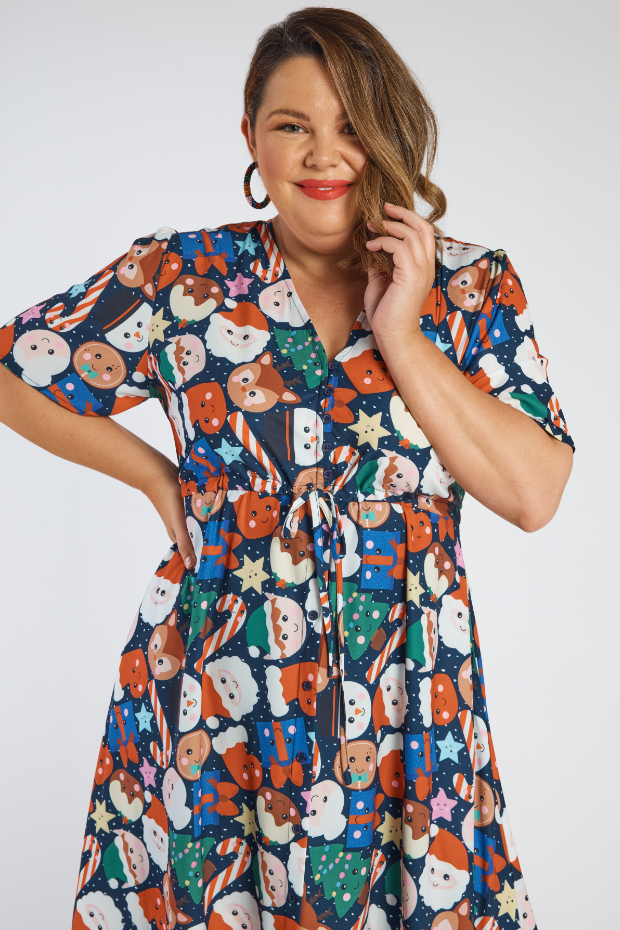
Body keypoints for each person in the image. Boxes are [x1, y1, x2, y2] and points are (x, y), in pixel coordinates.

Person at [0, 7, 573, 929]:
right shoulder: (182, 278)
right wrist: (155, 475)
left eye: (351, 125)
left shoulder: (469, 287)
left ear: (387, 132)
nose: (323, 155)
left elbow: (534, 494)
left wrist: (403, 335)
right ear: (250, 137)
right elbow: (14, 371)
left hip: (404, 705)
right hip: (212, 698)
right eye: (292, 125)